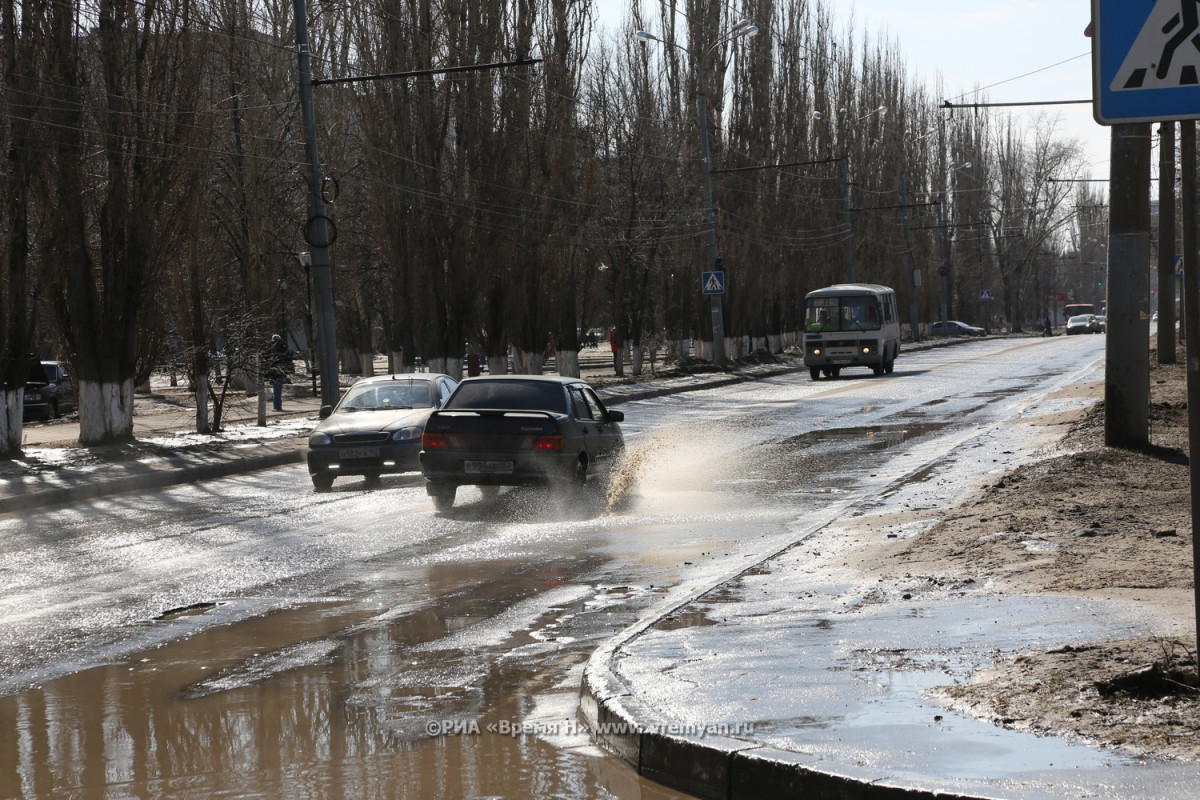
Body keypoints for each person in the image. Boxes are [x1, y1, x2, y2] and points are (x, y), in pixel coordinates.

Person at [265, 334, 291, 411]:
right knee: (278, 389)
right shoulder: (283, 347)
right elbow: (287, 359)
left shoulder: (269, 348)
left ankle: (276, 405)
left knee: (275, 388)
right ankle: (277, 405)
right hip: (280, 371)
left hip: (272, 371)